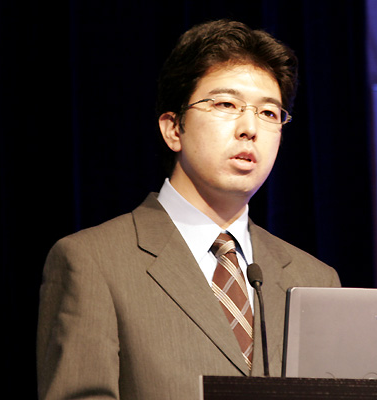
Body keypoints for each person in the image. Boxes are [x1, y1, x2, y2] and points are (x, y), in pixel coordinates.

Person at [36, 19, 340, 400]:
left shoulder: (315, 280)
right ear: (173, 129)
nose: (250, 128)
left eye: (268, 113)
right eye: (226, 104)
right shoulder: (93, 262)